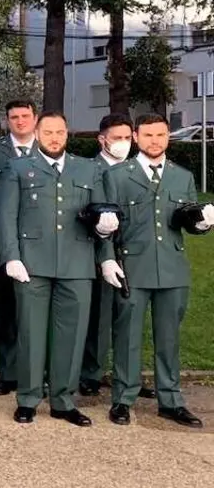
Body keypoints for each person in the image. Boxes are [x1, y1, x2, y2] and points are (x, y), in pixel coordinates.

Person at [0, 111, 114, 426]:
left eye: (59, 132)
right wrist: (11, 256)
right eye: (47, 132)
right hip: (32, 264)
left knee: (71, 335)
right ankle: (29, 398)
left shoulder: (88, 169)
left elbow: (102, 216)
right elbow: (5, 215)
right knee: (31, 334)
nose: (53, 138)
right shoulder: (18, 168)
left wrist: (106, 254)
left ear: (67, 134)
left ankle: (63, 400)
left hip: (77, 263)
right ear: (37, 133)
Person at [101, 114, 210, 428]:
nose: (155, 141)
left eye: (161, 135)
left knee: (169, 339)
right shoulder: (119, 176)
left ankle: (171, 400)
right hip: (132, 266)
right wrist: (108, 259)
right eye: (148, 135)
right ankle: (123, 398)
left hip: (172, 269)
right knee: (127, 337)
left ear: (167, 137)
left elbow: (186, 220)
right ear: (135, 137)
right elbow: (106, 225)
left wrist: (201, 223)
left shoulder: (182, 176)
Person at [0, 99, 38, 396]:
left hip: (41, 245)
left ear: (34, 118)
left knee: (39, 314)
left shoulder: (50, 146)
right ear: (7, 121)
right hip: (5, 243)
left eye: (25, 116)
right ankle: (10, 372)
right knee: (7, 313)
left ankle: (40, 372)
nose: (20, 121)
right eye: (14, 117)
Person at [79, 112, 133, 396]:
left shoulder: (135, 169)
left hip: (133, 251)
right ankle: (91, 373)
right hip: (98, 250)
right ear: (103, 140)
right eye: (117, 138)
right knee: (99, 316)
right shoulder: (90, 170)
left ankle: (128, 374)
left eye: (127, 137)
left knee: (129, 317)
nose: (123, 143)